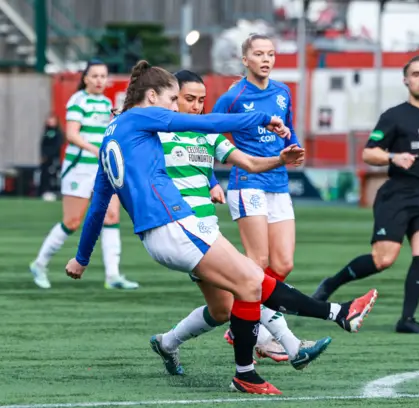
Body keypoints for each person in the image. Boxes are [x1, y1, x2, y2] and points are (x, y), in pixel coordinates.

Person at [64, 60, 378, 395]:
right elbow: (211, 122)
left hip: (161, 234)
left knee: (247, 288)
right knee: (252, 282)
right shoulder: (144, 116)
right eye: (173, 100)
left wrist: (81, 258)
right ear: (152, 96)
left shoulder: (113, 135)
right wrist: (263, 117)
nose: (175, 108)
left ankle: (259, 364)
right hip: (175, 224)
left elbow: (98, 204)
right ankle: (330, 319)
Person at [150, 69, 331, 374]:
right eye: (189, 99)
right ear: (172, 99)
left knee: (222, 310)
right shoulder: (156, 133)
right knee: (250, 279)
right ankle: (292, 345)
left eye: (201, 100)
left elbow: (246, 161)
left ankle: (167, 343)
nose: (196, 106)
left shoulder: (207, 132)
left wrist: (279, 160)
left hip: (207, 231)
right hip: (183, 234)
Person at [312, 55, 419, 335]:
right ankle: (332, 284)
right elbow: (369, 152)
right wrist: (393, 156)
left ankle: (407, 320)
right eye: (416, 74)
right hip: (397, 195)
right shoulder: (395, 116)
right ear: (406, 80)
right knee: (383, 260)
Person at [211, 34, 303, 357]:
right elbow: (206, 136)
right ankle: (248, 330)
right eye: (259, 54)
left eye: (271, 54)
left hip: (278, 182)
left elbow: (289, 129)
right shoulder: (233, 97)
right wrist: (210, 179)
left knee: (283, 263)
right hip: (246, 181)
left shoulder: (282, 92)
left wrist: (293, 144)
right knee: (258, 262)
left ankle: (242, 317)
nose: (266, 59)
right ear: (245, 60)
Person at [29, 59, 138, 290]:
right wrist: (97, 149)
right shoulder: (78, 100)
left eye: (103, 76)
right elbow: (72, 134)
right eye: (95, 76)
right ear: (85, 78)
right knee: (72, 221)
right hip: (79, 167)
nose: (99, 80)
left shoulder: (107, 102)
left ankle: (113, 275)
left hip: (103, 168)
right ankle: (40, 264)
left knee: (111, 217)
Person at [37, 112, 63, 201]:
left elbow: (57, 146)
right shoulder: (46, 132)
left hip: (53, 158)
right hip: (45, 159)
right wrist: (43, 155)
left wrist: (50, 155)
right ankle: (43, 191)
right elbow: (42, 145)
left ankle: (53, 192)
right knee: (44, 175)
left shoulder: (58, 133)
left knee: (52, 175)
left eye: (52, 119)